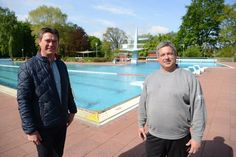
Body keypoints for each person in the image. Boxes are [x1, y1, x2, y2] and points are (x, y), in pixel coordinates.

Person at [138, 41, 207, 157]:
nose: (166, 57)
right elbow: (143, 103)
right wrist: (140, 124)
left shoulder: (189, 78)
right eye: (162, 55)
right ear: (158, 58)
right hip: (154, 137)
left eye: (169, 54)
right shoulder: (150, 78)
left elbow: (198, 108)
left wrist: (197, 137)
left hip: (179, 138)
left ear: (175, 56)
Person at [17, 27, 77, 157]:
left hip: (61, 123)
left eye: (54, 41)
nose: (51, 44)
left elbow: (67, 89)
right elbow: (23, 100)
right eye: (47, 40)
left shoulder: (61, 65)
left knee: (58, 154)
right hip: (43, 126)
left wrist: (72, 110)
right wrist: (30, 129)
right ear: (40, 42)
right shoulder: (28, 67)